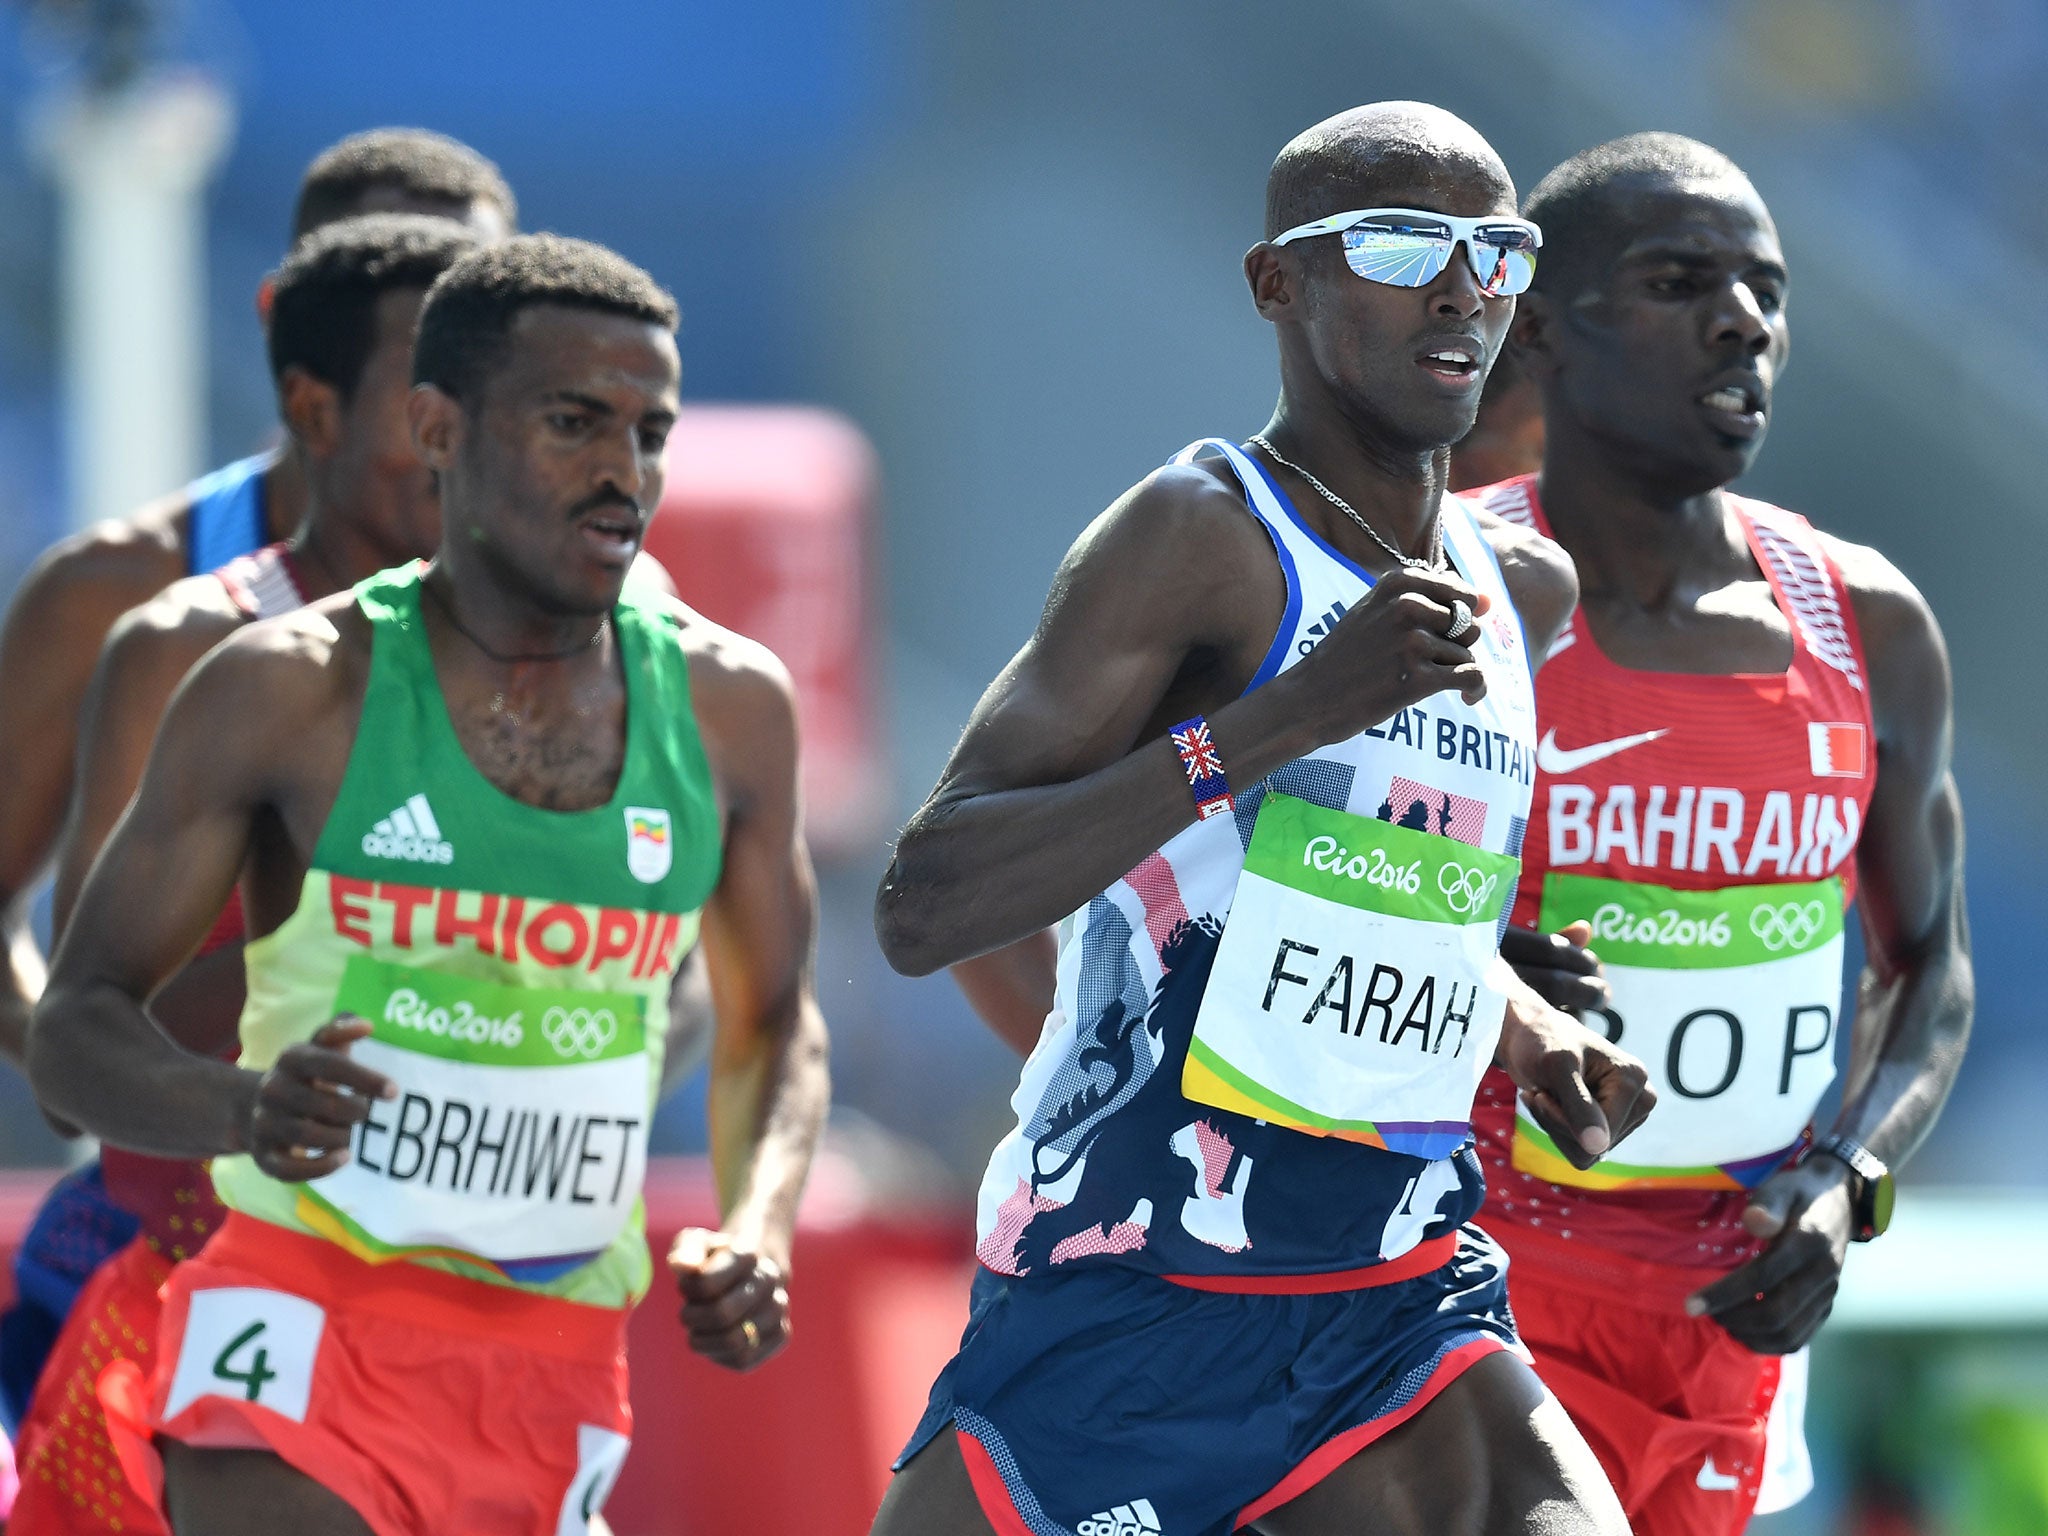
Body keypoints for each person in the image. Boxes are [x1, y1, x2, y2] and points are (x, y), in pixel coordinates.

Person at [870, 103, 1653, 1536]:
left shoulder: (1521, 592)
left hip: (1400, 1297)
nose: (1464, 286)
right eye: (1405, 240)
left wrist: (1527, 1027)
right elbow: (928, 902)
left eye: (1498, 248)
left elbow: (1370, 888)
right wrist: (1285, 714)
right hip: (1129, 1299)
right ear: (1275, 282)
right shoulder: (1198, 537)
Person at [27, 235, 830, 1536]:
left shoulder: (731, 708)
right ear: (437, 426)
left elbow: (772, 1018)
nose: (625, 473)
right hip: (295, 1321)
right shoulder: (287, 686)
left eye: (651, 431)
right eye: (575, 423)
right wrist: (242, 1107)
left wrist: (761, 1225)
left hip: (554, 1359)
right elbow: (77, 1028)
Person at [1463, 132, 1972, 1535]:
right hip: (1455, 1288)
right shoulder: (1443, 602)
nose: (1744, 319)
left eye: (1765, 287)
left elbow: (1933, 974)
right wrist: (1486, 978)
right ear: (1542, 332)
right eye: (1681, 280)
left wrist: (1850, 1176)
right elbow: (1270, 916)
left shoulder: (1865, 623)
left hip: (1724, 1309)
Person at [0, 127, 516, 1429]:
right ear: (298, 343)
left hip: (454, 1273)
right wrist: (121, 1072)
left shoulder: (575, 614)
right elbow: (79, 1004)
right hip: (168, 1251)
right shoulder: (127, 599)